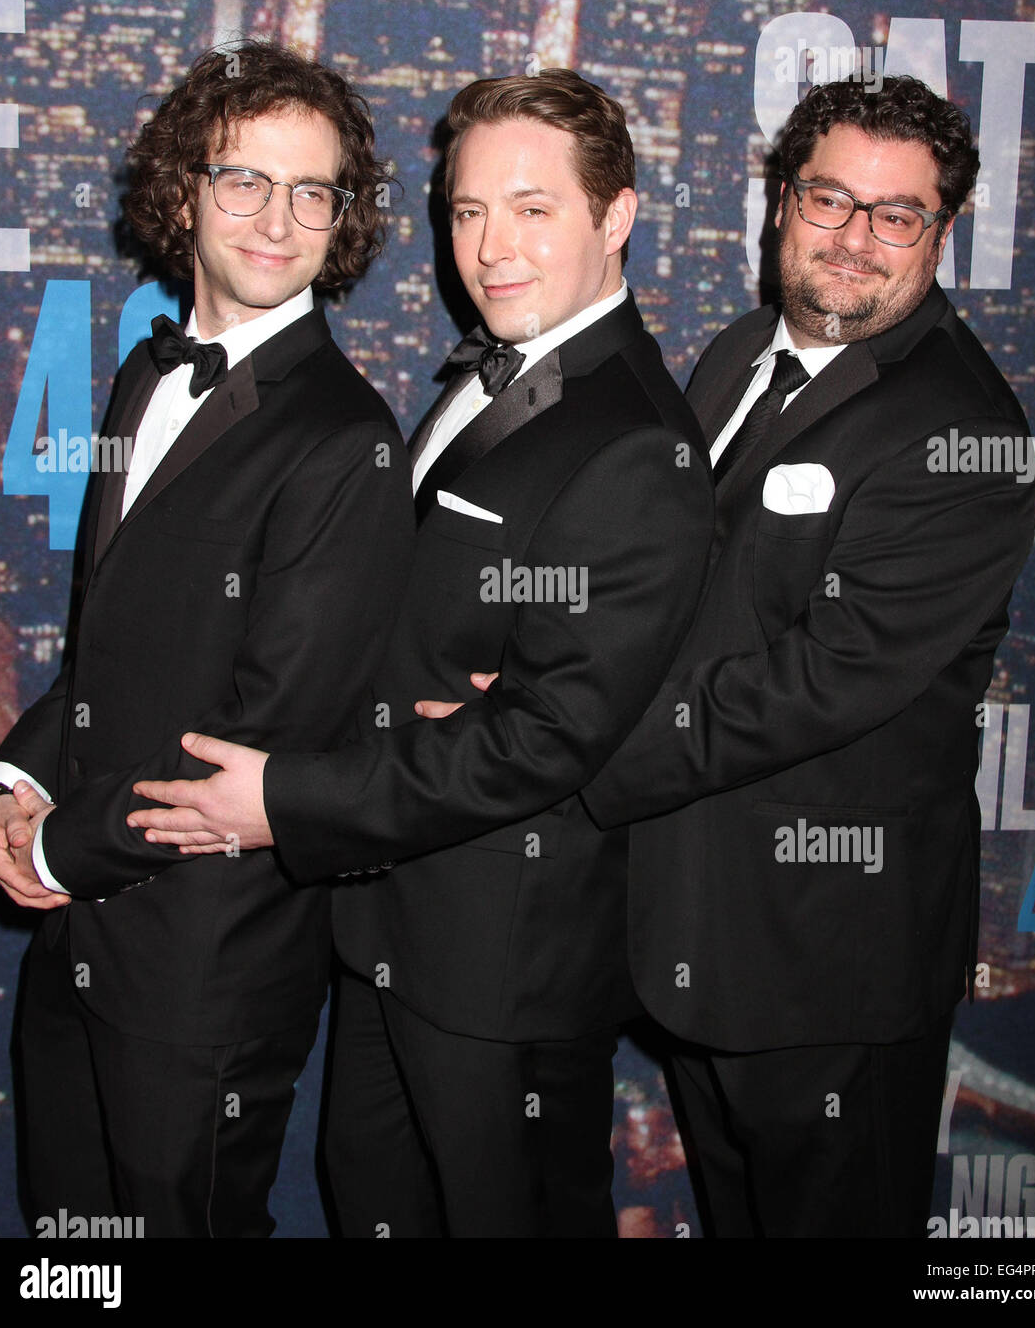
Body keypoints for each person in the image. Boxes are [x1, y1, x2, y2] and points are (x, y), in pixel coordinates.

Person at [129, 68, 716, 1237]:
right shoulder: (493, 361)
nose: (490, 247)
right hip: (395, 928)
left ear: (618, 216)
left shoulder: (635, 439)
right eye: (467, 211)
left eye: (533, 209)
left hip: (505, 967)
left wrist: (283, 797)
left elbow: (543, 738)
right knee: (372, 1203)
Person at [577, 75, 1035, 1236]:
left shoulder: (964, 431)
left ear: (941, 232)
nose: (854, 239)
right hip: (698, 928)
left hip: (828, 961)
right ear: (781, 201)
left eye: (897, 215)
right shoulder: (740, 353)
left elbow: (819, 684)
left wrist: (568, 744)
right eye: (830, 198)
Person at [0, 41, 414, 1237]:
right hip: (76, 943)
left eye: (311, 190)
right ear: (184, 193)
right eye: (243, 180)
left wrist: (61, 846)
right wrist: (15, 778)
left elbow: (257, 742)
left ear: (343, 219)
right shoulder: (138, 378)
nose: (277, 218)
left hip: (203, 969)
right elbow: (105, 649)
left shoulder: (346, 442)